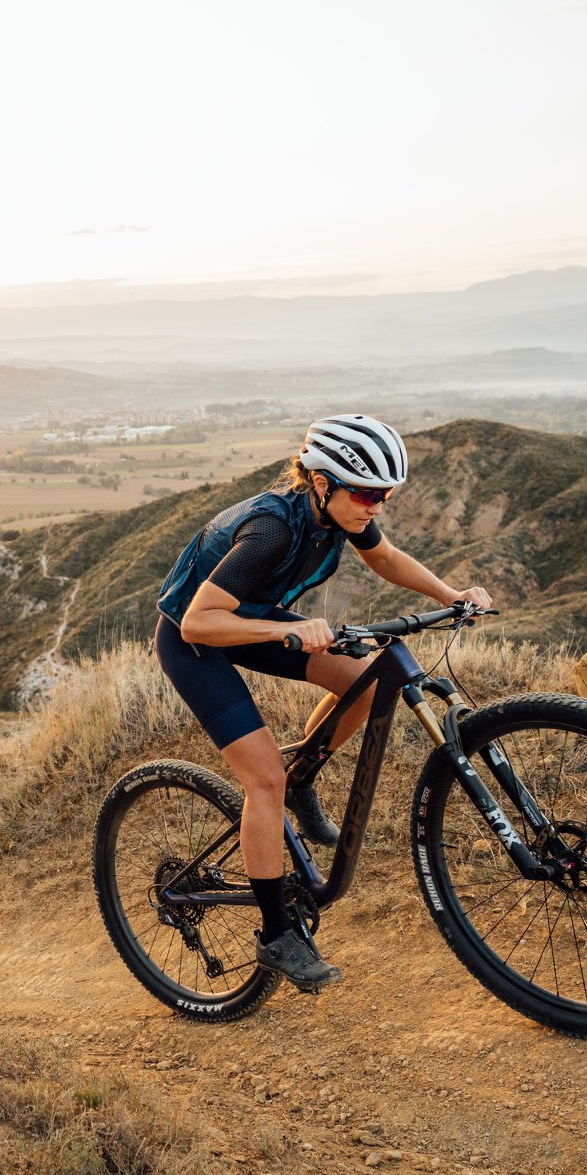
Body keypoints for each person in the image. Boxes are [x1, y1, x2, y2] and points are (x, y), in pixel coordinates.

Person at [154, 414, 493, 993]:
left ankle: (305, 774)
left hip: (257, 621)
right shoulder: (271, 531)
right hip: (196, 643)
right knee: (264, 782)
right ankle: (275, 935)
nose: (376, 506)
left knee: (366, 681)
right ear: (320, 481)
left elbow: (385, 558)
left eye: (384, 495)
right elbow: (199, 621)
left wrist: (450, 594)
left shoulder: (339, 513)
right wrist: (291, 630)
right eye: (366, 493)